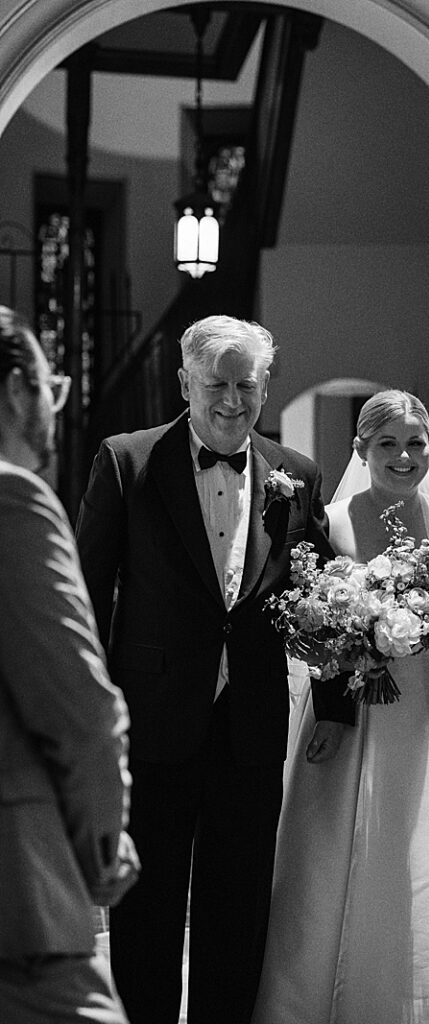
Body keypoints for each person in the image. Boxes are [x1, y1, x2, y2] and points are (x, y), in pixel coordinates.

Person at [75, 315, 354, 1024]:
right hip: (152, 727)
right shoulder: (127, 460)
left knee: (238, 917)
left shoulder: (297, 473)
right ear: (184, 383)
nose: (232, 400)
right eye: (216, 384)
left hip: (251, 728)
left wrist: (336, 701)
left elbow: (322, 596)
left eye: (246, 384)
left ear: (265, 386)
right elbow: (83, 592)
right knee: (148, 917)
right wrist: (89, 723)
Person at [252, 390, 429, 1024]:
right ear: (361, 450)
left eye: (416, 443)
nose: (404, 456)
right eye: (388, 443)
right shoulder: (330, 522)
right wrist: (354, 634)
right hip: (352, 715)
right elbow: (309, 622)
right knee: (335, 854)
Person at [0, 306, 139, 1024]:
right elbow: (81, 712)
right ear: (19, 391)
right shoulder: (13, 498)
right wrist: (103, 849)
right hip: (19, 895)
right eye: (51, 387)